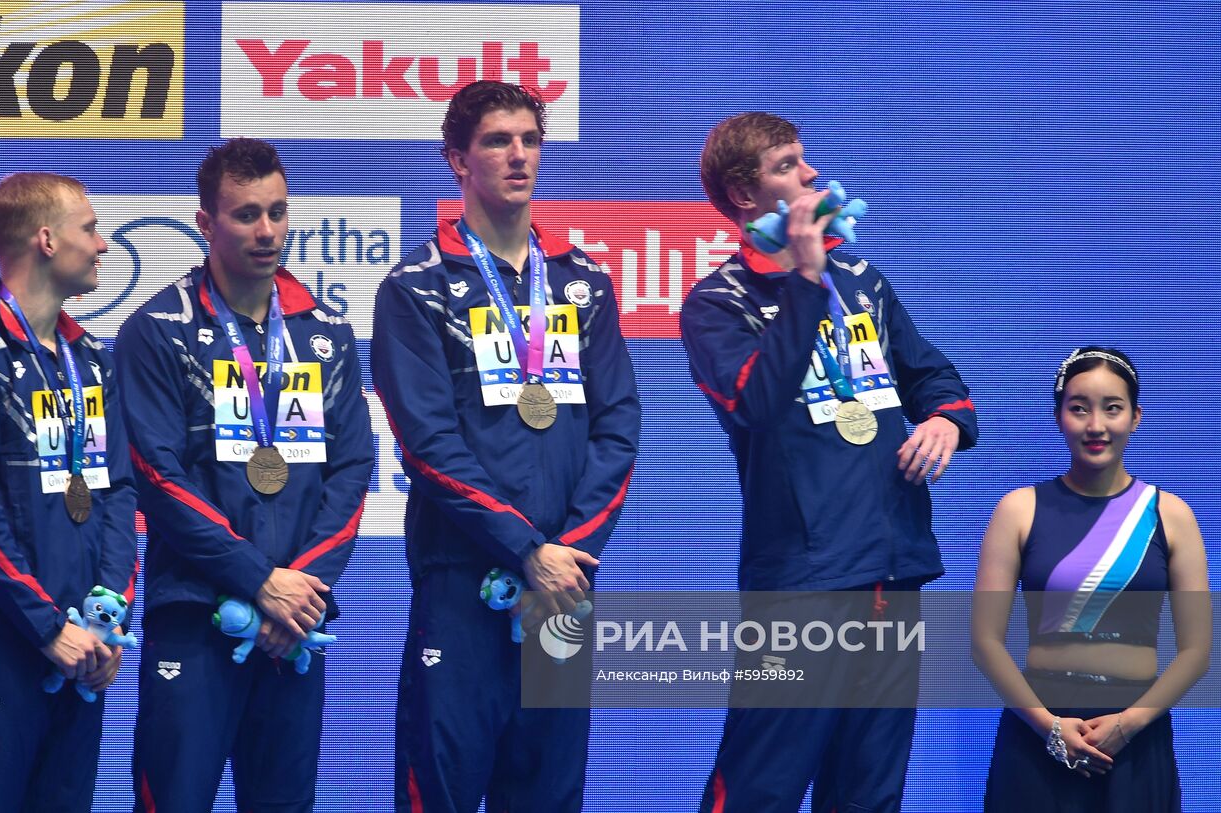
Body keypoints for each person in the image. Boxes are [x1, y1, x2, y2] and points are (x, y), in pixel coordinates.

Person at [680, 112, 979, 812]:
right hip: (803, 582)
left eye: (804, 160)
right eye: (787, 164)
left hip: (891, 570)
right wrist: (806, 283)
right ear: (743, 193)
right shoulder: (716, 304)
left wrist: (942, 420)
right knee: (759, 785)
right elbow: (756, 399)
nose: (811, 174)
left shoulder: (861, 279)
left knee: (870, 793)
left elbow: (935, 377)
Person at [372, 80, 640, 813]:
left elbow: (619, 426)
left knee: (550, 795)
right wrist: (526, 547)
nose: (518, 155)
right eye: (496, 140)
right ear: (455, 158)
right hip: (462, 582)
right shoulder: (416, 288)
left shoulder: (582, 283)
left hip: (563, 588)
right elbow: (427, 445)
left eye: (529, 139)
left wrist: (568, 552)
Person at [116, 138, 374, 812]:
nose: (267, 231)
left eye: (278, 212)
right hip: (196, 618)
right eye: (246, 215)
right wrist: (260, 580)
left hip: (297, 622)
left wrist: (301, 589)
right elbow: (158, 476)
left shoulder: (326, 332)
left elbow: (351, 469)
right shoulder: (157, 330)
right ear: (205, 224)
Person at [0, 172, 137, 812]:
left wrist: (105, 621)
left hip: (83, 648)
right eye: (89, 229)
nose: (101, 246)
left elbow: (116, 490)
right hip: (0, 647)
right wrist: (47, 629)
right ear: (46, 239)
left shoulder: (90, 358)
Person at [973, 347, 1210, 812]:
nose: (1096, 425)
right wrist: (1049, 727)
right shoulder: (1017, 510)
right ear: (1059, 416)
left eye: (1112, 408)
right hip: (1037, 734)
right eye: (1079, 408)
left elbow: (1198, 651)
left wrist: (1129, 724)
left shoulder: (1172, 515)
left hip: (1137, 738)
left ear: (1136, 418)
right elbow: (984, 642)